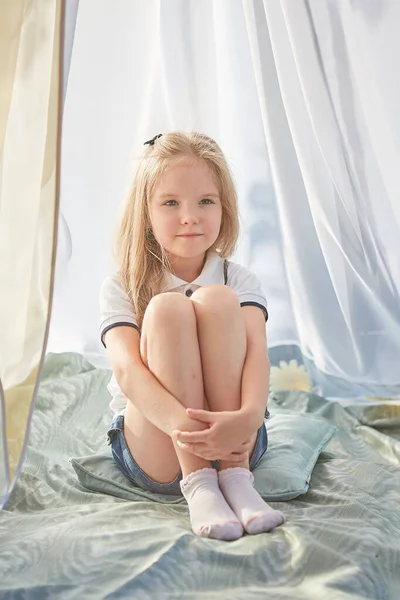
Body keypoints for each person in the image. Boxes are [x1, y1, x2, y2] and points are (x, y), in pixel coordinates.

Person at [99, 132, 285, 541]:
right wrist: (191, 431)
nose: (190, 216)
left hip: (236, 443)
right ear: (146, 214)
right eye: (170, 203)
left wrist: (248, 417)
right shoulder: (123, 285)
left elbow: (257, 354)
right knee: (166, 307)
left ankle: (237, 482)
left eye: (206, 201)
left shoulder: (238, 279)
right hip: (160, 445)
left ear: (224, 208)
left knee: (217, 300)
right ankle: (200, 486)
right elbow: (128, 371)